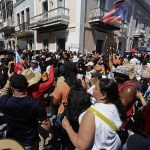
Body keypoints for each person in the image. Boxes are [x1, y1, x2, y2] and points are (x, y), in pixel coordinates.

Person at [62, 79, 126, 150]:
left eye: (95, 88)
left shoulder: (92, 114)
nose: (93, 89)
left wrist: (67, 127)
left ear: (104, 95)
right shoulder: (114, 106)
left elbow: (81, 146)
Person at [0, 74, 49, 149]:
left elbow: (3, 93)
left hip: (13, 142)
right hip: (30, 141)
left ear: (12, 88)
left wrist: (8, 82)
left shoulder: (5, 102)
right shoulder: (35, 103)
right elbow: (45, 123)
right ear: (27, 86)